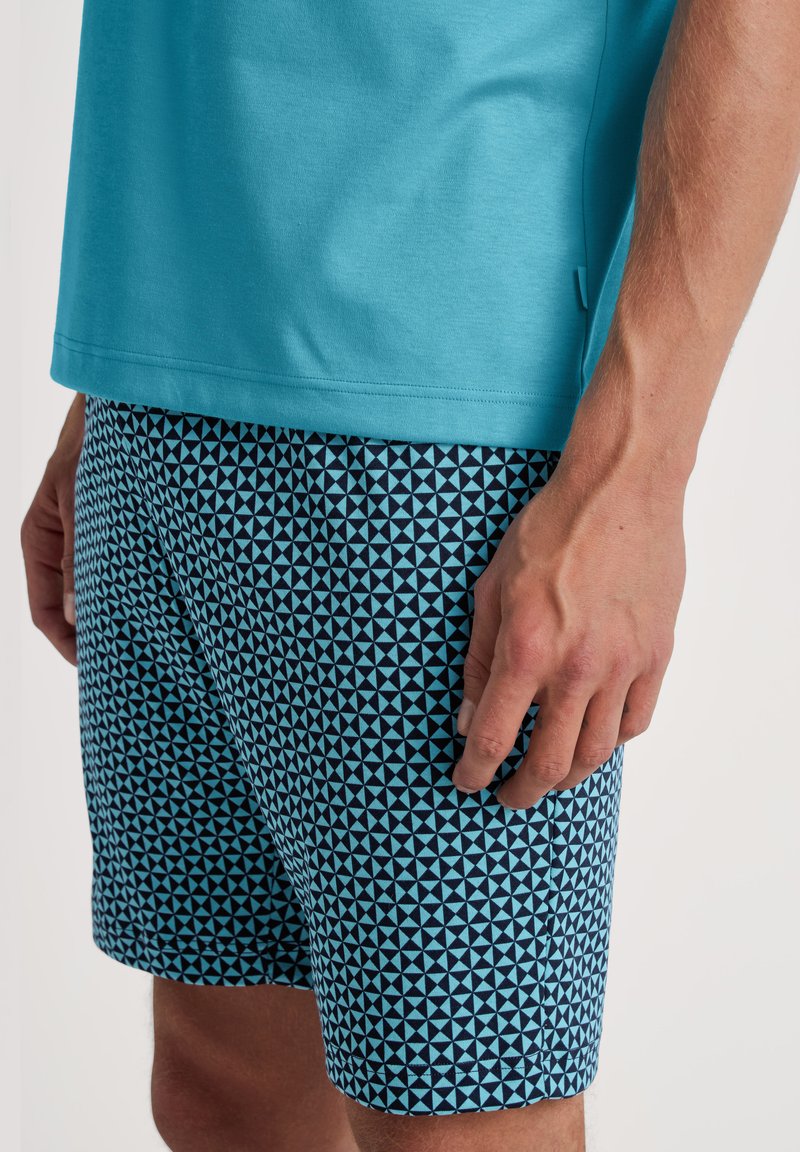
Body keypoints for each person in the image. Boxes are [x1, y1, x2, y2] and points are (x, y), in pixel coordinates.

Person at [21, 1, 800, 1149]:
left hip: (437, 435)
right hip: (158, 371)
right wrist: (113, 385)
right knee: (220, 1089)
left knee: (458, 1115)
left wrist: (632, 477)